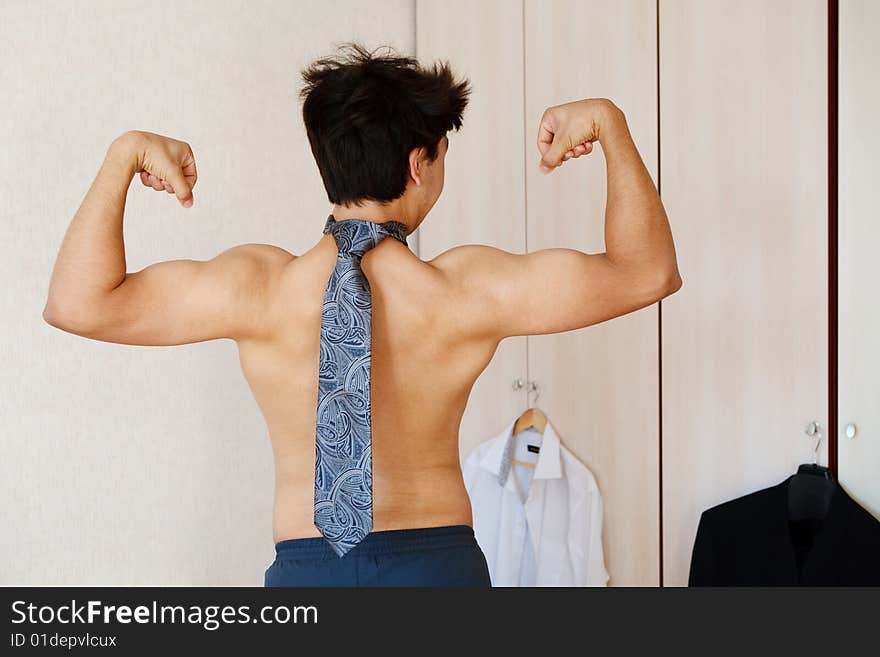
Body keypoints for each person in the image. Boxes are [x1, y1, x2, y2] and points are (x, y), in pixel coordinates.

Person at [42, 43, 681, 587]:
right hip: (438, 570)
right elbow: (647, 271)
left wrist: (122, 158)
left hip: (308, 569)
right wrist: (610, 125)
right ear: (417, 164)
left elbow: (79, 303)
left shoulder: (259, 286)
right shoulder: (466, 289)